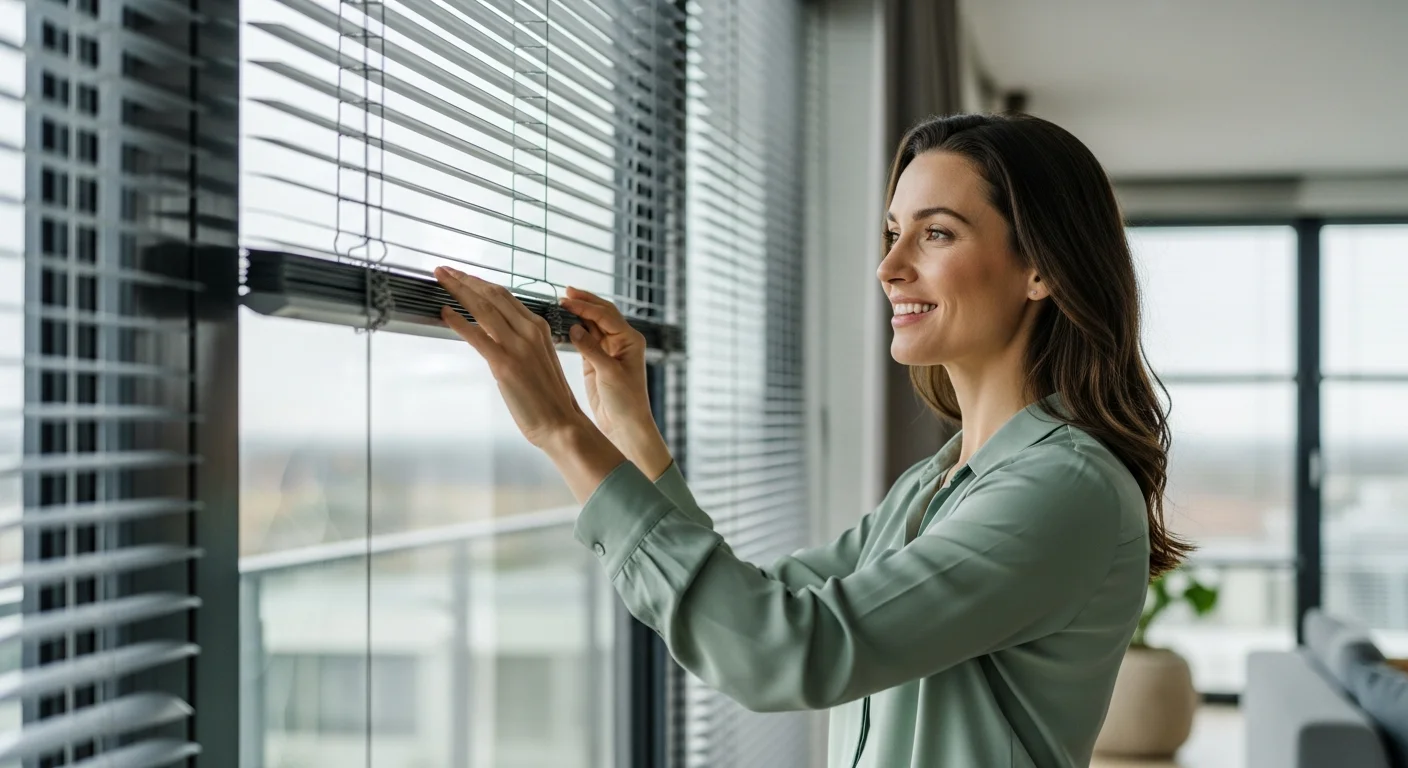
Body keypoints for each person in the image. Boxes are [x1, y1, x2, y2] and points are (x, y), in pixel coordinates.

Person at [432, 112, 1190, 768]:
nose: (890, 267)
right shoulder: (941, 481)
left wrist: (562, 432)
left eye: (936, 233)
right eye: (894, 233)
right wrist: (629, 425)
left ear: (1039, 270)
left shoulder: (1060, 490)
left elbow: (784, 654)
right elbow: (763, 610)